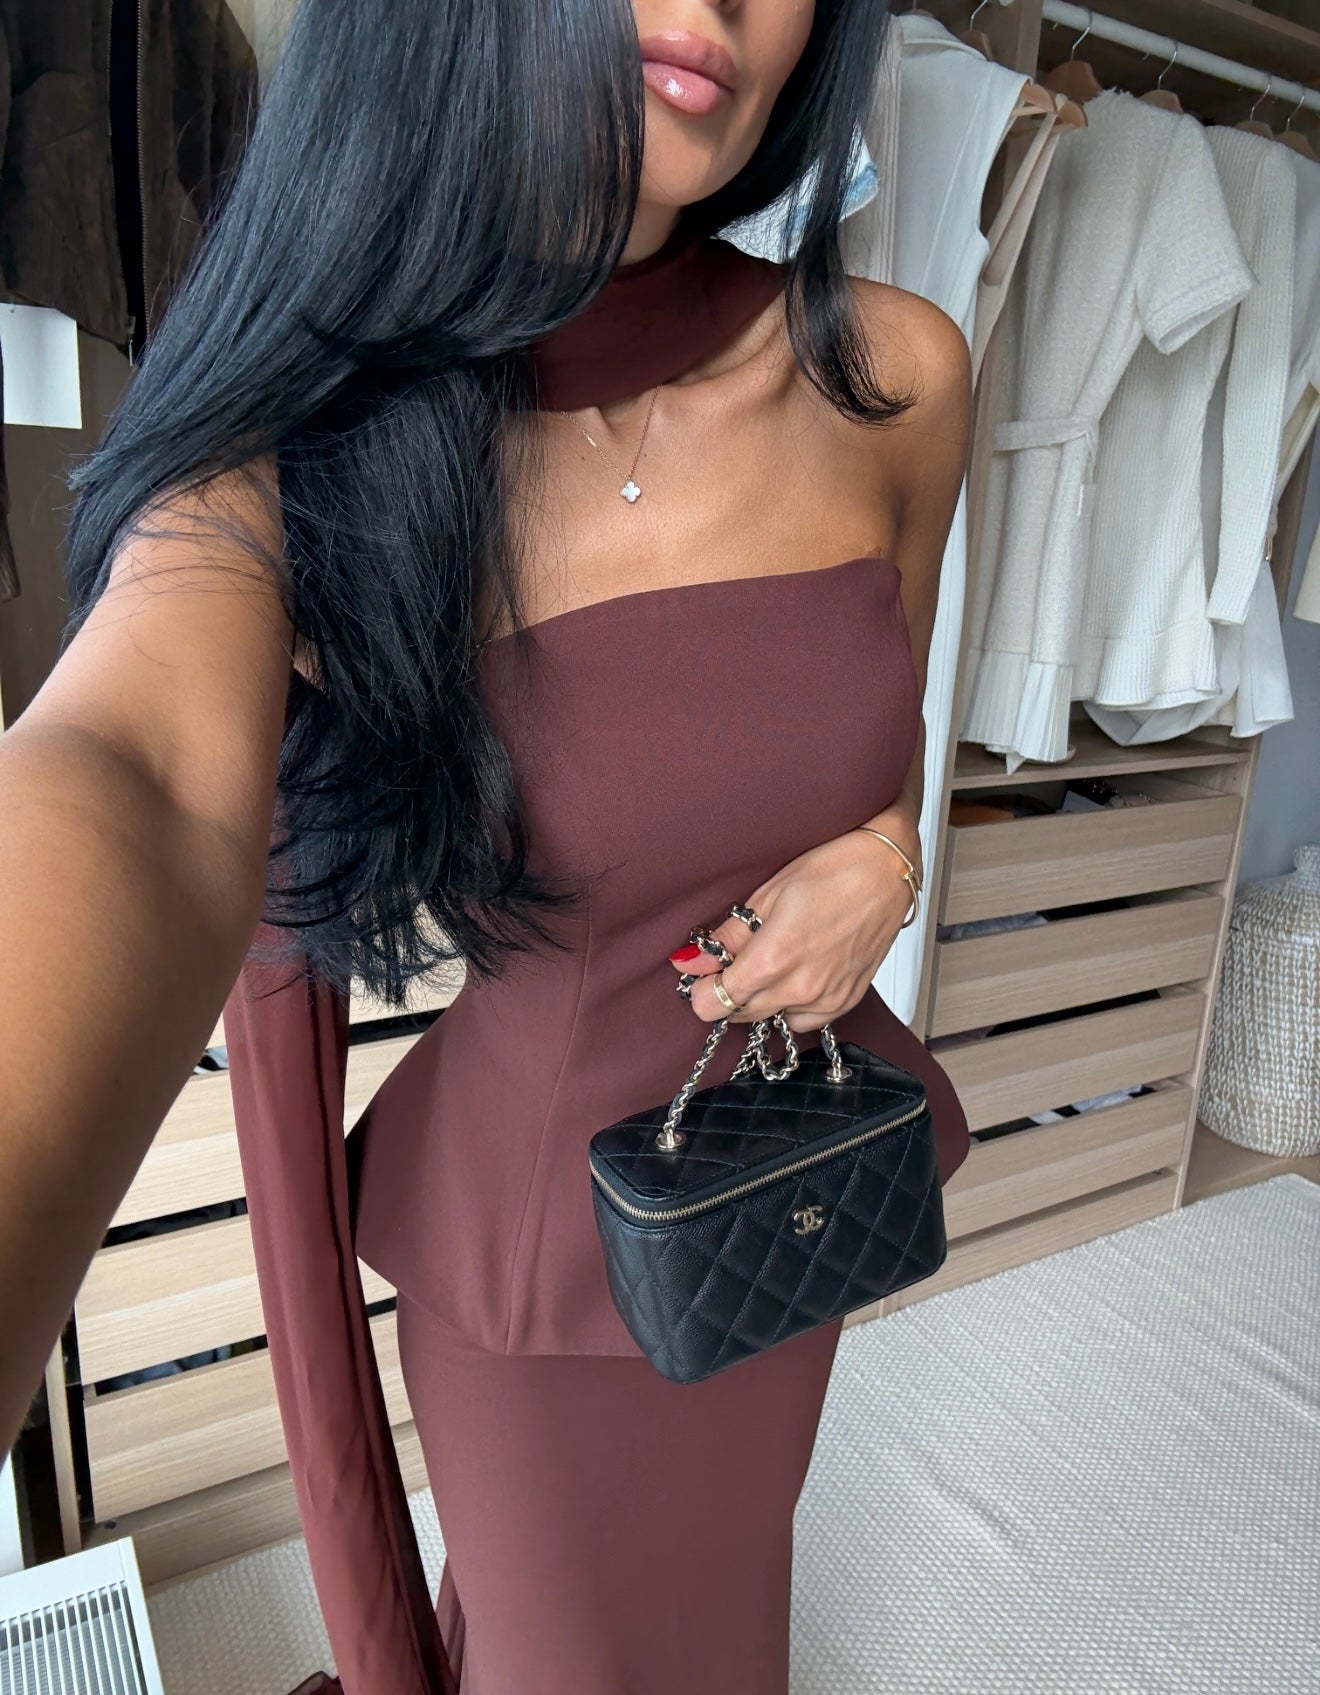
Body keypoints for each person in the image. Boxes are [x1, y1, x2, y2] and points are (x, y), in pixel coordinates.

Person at [0, 0, 972, 1688]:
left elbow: (881, 755)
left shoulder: (893, 377)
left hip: (780, 1196)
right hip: (532, 1269)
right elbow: (137, 773)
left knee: (730, 1617)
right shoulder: (305, 448)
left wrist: (889, 864)